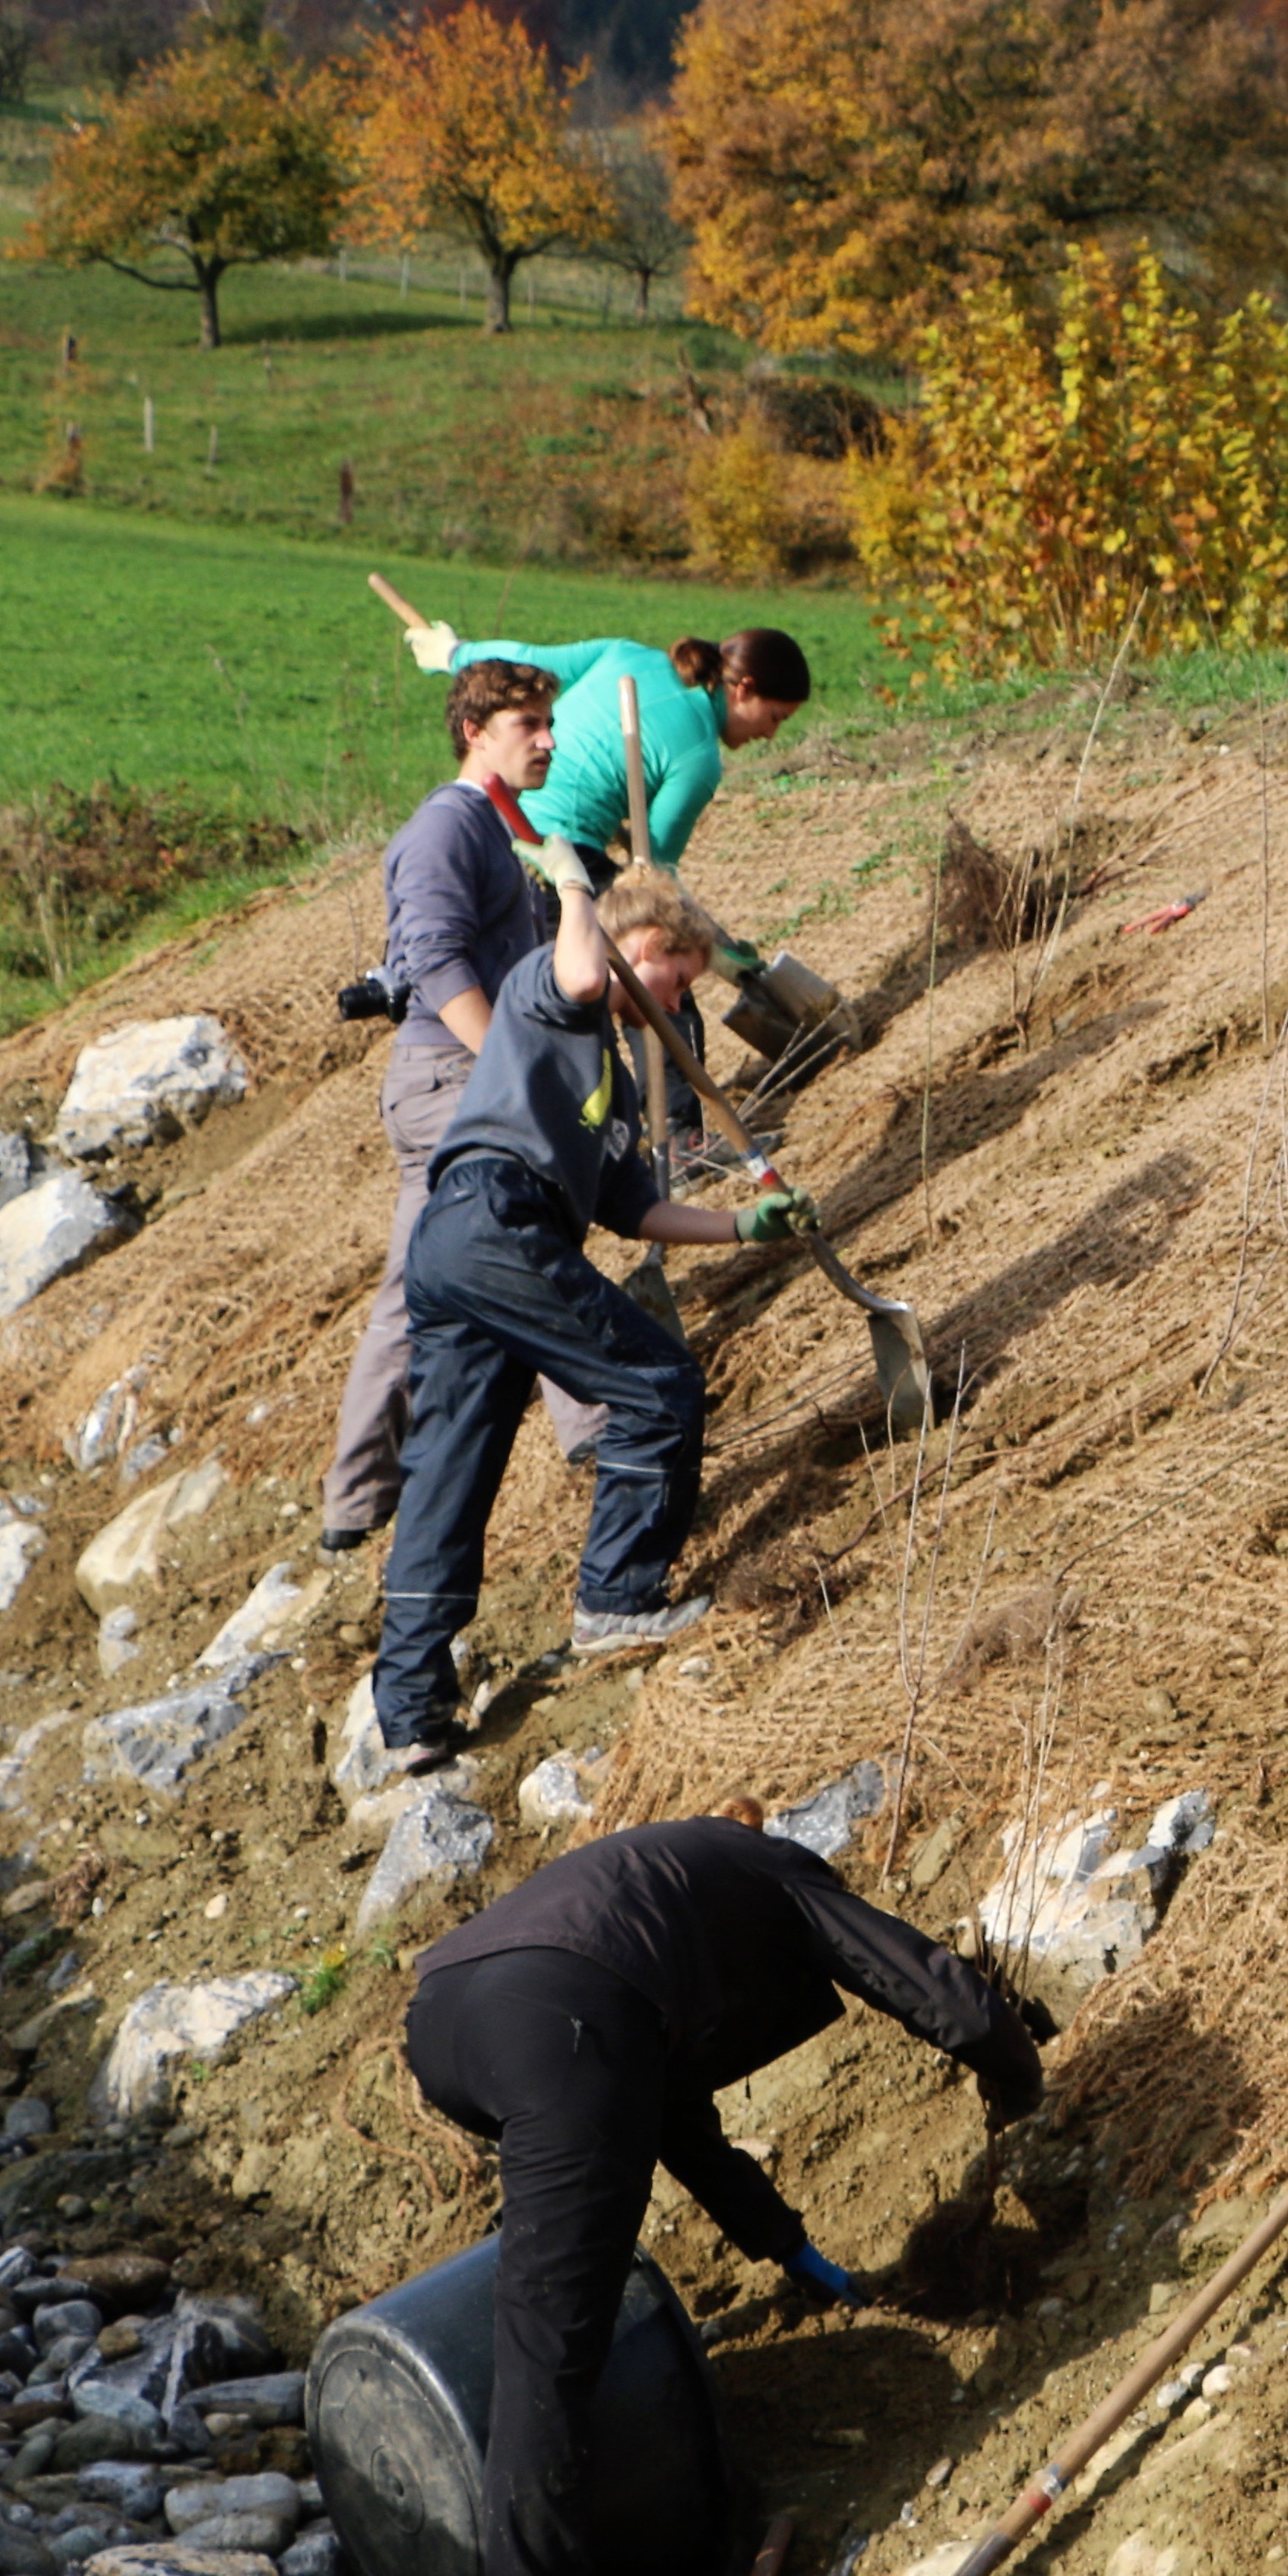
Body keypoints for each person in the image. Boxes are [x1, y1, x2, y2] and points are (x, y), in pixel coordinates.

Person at [402, 1813, 1047, 2576]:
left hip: (451, 2021)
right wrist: (1018, 2074)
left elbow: (669, 2117)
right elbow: (907, 1972)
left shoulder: (656, 1887)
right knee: (548, 2354)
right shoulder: (776, 1871)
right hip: (561, 2024)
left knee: (553, 2302)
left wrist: (786, 2246)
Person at [368, 860, 813, 1771]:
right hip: (494, 1219)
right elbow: (581, 970)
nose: (681, 1004)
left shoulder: (606, 1073)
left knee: (452, 1467)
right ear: (637, 947)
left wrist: (740, 1225)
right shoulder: (548, 992)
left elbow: (632, 1210)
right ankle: (617, 1598)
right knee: (658, 1382)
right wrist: (576, 882)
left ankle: (412, 1713)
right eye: (678, 979)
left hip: (473, 1246)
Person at [320, 659, 605, 1555]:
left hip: (454, 1080)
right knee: (529, 1243)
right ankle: (599, 1428)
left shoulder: (504, 826)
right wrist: (510, 1067)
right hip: (452, 1081)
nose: (549, 739)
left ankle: (354, 1498)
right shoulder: (446, 829)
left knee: (418, 1287)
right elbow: (437, 964)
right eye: (529, 723)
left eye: (548, 721)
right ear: (475, 731)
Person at [395, 621, 812, 1154]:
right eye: (775, 717)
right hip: (561, 851)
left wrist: (455, 653)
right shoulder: (699, 758)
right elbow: (653, 874)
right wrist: (716, 947)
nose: (772, 734)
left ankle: (617, 1128)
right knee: (656, 974)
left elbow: (524, 656)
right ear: (743, 689)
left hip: (507, 824)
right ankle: (678, 1137)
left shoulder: (627, 654)